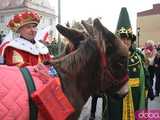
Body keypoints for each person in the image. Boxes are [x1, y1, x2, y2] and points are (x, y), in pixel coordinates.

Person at [106, 7, 151, 120]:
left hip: (136, 96)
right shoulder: (111, 58)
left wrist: (147, 89)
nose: (125, 41)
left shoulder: (139, 57)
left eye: (128, 39)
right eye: (122, 38)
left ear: (131, 41)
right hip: (117, 99)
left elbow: (145, 76)